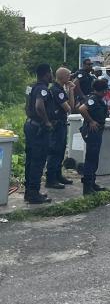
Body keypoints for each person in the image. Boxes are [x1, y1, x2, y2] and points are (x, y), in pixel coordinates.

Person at [23, 64, 54, 204]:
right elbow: (39, 106)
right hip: (38, 129)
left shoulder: (31, 87)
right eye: (51, 73)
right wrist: (47, 122)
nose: (52, 76)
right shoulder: (42, 89)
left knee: (30, 160)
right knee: (38, 161)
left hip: (30, 125)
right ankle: (34, 194)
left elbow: (27, 106)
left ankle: (28, 192)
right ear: (47, 74)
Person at [45, 67, 75, 189]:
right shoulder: (57, 90)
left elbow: (69, 107)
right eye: (68, 75)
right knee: (55, 151)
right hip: (57, 125)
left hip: (60, 123)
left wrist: (70, 90)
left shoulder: (59, 89)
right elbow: (69, 108)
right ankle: (51, 179)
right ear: (62, 77)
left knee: (61, 150)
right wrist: (71, 91)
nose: (70, 77)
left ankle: (58, 175)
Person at [78, 79, 110, 195]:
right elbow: (82, 109)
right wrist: (91, 121)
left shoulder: (98, 99)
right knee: (91, 159)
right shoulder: (93, 99)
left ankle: (92, 183)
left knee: (94, 158)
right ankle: (87, 187)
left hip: (97, 131)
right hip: (92, 131)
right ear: (105, 90)